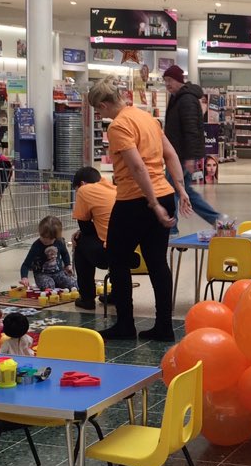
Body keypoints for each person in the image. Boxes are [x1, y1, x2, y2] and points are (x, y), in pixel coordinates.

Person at [87, 78, 191, 341]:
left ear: (103, 104)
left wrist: (152, 202)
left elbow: (137, 167)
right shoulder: (148, 118)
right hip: (164, 195)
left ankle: (125, 325)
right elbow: (170, 155)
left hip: (136, 200)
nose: (101, 115)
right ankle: (164, 327)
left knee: (117, 258)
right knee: (157, 262)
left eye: (99, 111)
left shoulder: (119, 125)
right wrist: (180, 189)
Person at [162, 65, 220, 231]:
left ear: (179, 81)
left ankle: (171, 229)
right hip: (176, 153)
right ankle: (217, 220)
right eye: (165, 80)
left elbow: (191, 130)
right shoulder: (177, 97)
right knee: (184, 191)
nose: (167, 84)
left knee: (172, 189)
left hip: (181, 155)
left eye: (170, 80)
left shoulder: (186, 99)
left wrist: (190, 158)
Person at [71, 166, 117, 310]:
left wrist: (80, 233)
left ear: (83, 184)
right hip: (130, 249)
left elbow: (85, 228)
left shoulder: (85, 190)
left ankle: (87, 298)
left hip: (107, 252)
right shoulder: (114, 188)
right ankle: (117, 293)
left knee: (79, 242)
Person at [19, 216, 76, 290]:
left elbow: (64, 254)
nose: (45, 241)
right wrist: (24, 278)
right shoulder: (36, 246)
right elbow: (26, 265)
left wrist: (68, 265)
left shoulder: (60, 242)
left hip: (58, 272)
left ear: (56, 237)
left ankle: (58, 284)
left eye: (50, 239)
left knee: (73, 284)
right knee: (48, 286)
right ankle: (54, 285)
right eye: (43, 237)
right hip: (42, 274)